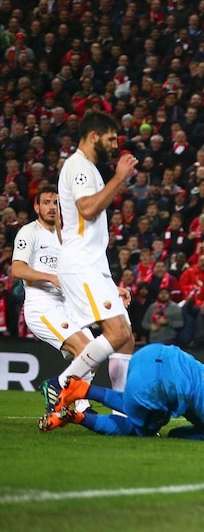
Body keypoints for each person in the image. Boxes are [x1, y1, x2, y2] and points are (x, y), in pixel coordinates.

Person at [47, 112, 138, 406]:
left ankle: (124, 414)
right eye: (111, 138)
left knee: (126, 339)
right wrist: (120, 179)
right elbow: (87, 209)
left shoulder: (89, 169)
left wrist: (109, 281)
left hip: (94, 265)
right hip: (82, 264)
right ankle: (59, 385)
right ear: (94, 136)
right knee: (117, 332)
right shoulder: (79, 167)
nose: (115, 145)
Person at [39, 343, 204, 440]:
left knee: (144, 405)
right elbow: (177, 434)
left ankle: (80, 388)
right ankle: (76, 416)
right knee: (144, 427)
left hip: (151, 353)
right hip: (160, 385)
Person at [11, 186, 95, 409]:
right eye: (47, 202)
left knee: (95, 352)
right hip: (42, 306)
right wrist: (50, 277)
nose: (52, 207)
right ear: (37, 207)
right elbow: (17, 269)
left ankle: (73, 405)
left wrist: (114, 289)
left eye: (56, 203)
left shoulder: (65, 237)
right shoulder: (29, 232)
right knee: (86, 349)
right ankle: (71, 398)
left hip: (67, 306)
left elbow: (82, 271)